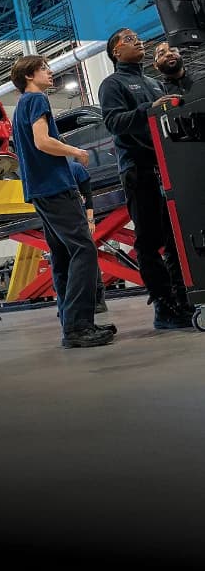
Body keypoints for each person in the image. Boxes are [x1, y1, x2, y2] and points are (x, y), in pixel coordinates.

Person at [10, 54, 114, 348]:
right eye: (44, 68)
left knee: (62, 255)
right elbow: (42, 142)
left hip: (39, 190)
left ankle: (72, 323)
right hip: (55, 187)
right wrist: (75, 153)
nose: (50, 72)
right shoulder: (37, 100)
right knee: (84, 250)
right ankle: (79, 326)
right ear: (29, 76)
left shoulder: (20, 108)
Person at [98, 27, 193, 329]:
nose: (136, 40)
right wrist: (145, 110)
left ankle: (183, 300)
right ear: (116, 51)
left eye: (137, 36)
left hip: (166, 166)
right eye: (128, 39)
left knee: (176, 239)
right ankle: (164, 307)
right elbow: (114, 123)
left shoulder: (153, 82)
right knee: (149, 241)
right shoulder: (112, 83)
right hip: (138, 170)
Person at [67, 159, 107, 314]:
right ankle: (73, 301)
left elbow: (87, 195)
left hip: (80, 218)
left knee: (88, 256)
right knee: (71, 259)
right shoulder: (52, 169)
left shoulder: (75, 168)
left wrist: (90, 219)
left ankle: (98, 300)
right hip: (65, 219)